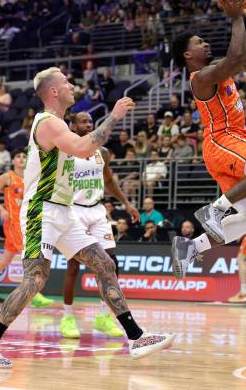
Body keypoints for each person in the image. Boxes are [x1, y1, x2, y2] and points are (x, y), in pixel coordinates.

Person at [0, 67, 173, 368]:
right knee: (35, 278)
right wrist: (114, 115)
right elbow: (82, 146)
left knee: (105, 264)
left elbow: (80, 159)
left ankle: (136, 336)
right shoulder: (47, 122)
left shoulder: (60, 125)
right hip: (42, 210)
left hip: (64, 212)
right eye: (66, 82)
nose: (72, 85)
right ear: (53, 91)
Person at [170, 0, 246, 279]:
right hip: (222, 140)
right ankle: (216, 209)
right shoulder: (202, 78)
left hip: (235, 141)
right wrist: (235, 17)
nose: (205, 43)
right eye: (199, 42)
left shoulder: (218, 70)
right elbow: (235, 55)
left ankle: (191, 247)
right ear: (187, 55)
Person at [60, 112, 141, 339]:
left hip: (97, 211)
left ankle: (103, 316)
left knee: (111, 264)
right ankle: (67, 317)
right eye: (83, 121)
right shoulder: (66, 151)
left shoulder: (103, 152)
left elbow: (108, 182)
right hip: (74, 210)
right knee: (74, 267)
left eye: (90, 122)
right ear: (73, 126)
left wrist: (126, 203)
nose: (88, 124)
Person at [0, 150, 53, 307]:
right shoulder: (7, 177)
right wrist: (1, 210)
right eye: (18, 157)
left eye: (24, 156)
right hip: (13, 223)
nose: (21, 159)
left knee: (6, 259)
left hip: (27, 222)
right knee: (28, 255)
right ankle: (33, 293)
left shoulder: (31, 177)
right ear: (13, 160)